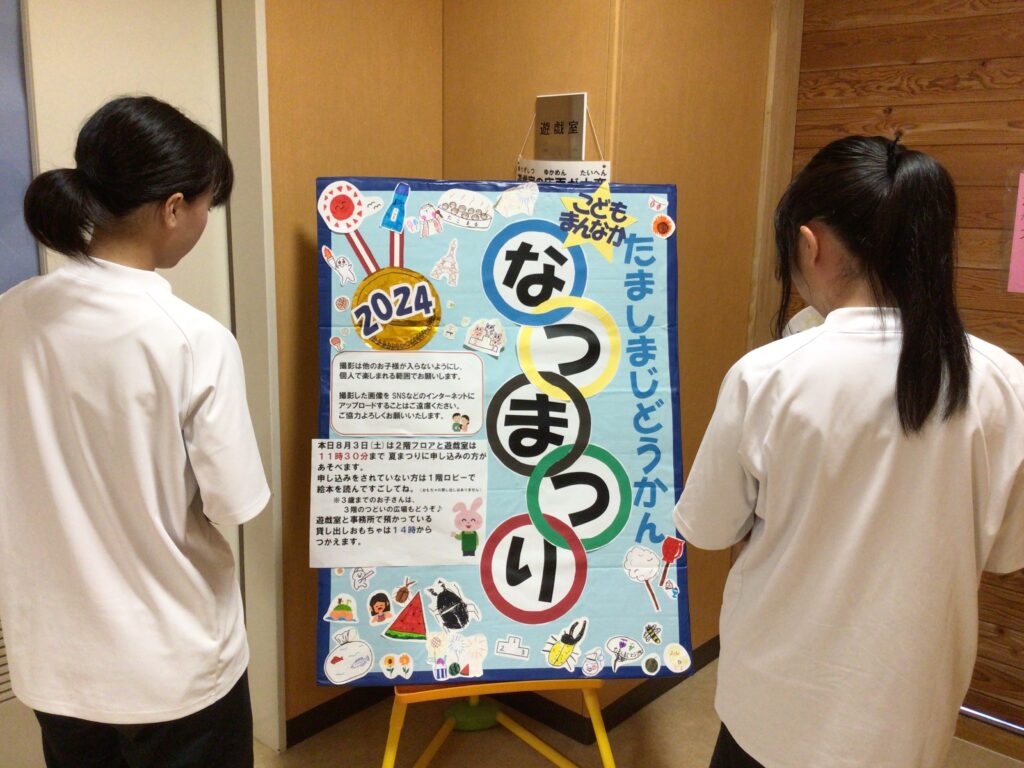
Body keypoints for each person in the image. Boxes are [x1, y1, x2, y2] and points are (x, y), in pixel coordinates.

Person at [674, 135, 1024, 768]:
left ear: (810, 244)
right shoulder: (1005, 382)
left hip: (774, 707)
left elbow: (709, 526)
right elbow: (1005, 552)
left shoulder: (769, 375)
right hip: (910, 716)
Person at [0, 96, 270, 768]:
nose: (203, 220)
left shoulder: (12, 315)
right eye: (206, 205)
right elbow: (234, 502)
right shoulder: (193, 340)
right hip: (172, 663)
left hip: (55, 662)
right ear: (173, 209)